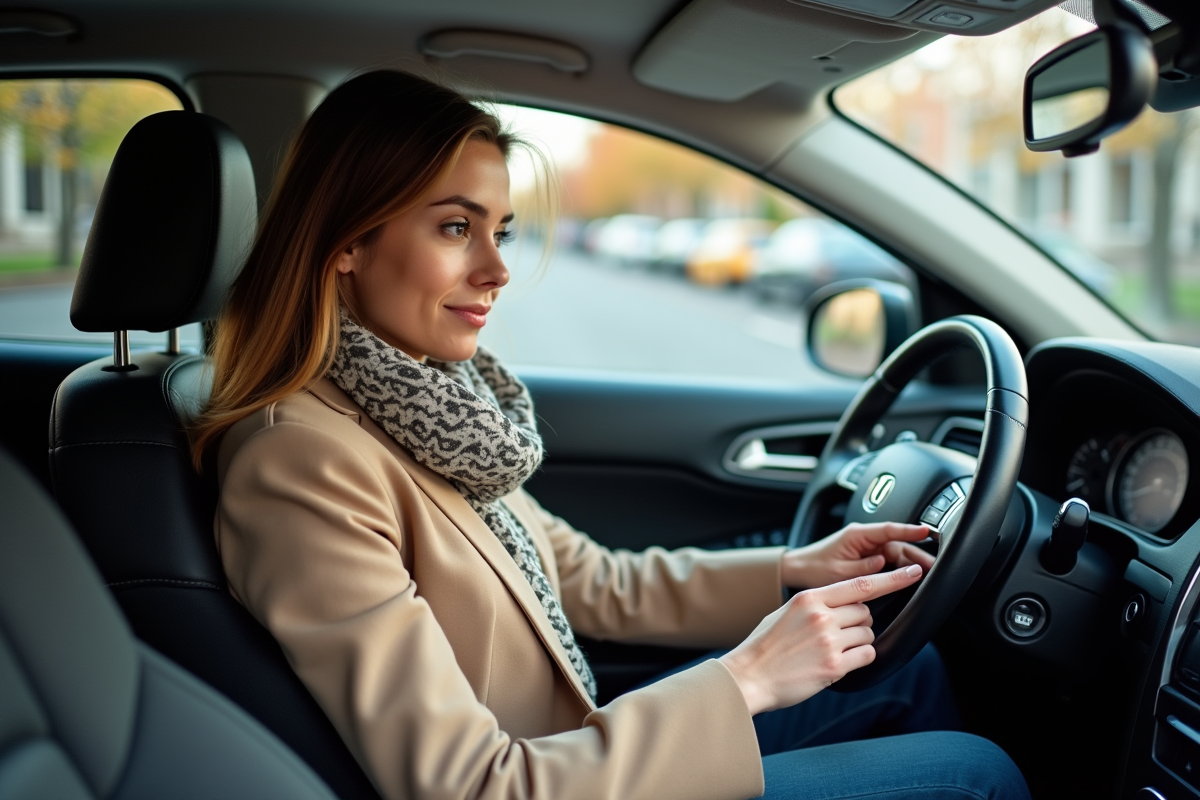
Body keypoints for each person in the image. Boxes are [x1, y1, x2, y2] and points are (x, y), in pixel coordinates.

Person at [194, 69, 1030, 800]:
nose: (497, 267)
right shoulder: (299, 461)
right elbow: (466, 786)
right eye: (456, 228)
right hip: (546, 781)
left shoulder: (424, 406)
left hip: (578, 752)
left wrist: (791, 572)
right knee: (973, 774)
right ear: (347, 242)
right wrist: (749, 678)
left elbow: (593, 580)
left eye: (502, 230)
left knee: (907, 671)